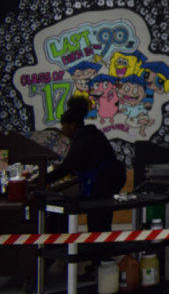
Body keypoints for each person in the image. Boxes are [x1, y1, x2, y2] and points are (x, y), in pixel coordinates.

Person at [46, 95, 127, 231]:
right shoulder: (92, 134)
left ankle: (97, 248)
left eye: (64, 126)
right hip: (111, 179)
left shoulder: (82, 141)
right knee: (102, 219)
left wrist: (40, 180)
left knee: (97, 221)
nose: (63, 130)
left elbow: (66, 168)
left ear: (73, 125)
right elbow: (84, 162)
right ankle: (101, 247)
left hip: (103, 183)